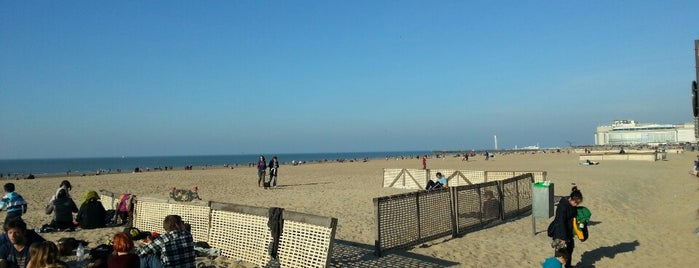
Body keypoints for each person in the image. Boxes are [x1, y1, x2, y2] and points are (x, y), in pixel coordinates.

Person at [546, 186, 583, 268]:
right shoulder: (562, 206)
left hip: (568, 232)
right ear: (571, 199)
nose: (576, 205)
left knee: (570, 250)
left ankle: (568, 266)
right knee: (560, 256)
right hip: (560, 233)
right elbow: (560, 222)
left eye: (577, 203)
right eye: (575, 202)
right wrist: (562, 238)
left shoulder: (572, 205)